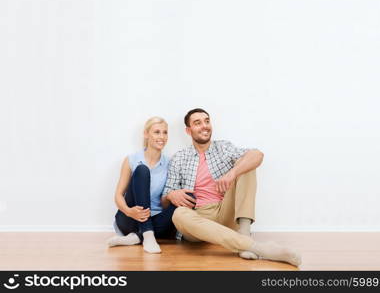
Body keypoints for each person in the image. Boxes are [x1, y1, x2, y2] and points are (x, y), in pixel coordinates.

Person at [162, 108, 301, 266]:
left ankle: (244, 232)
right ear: (188, 130)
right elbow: (164, 199)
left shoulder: (223, 147)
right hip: (199, 219)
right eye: (197, 123)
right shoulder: (179, 158)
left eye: (207, 121)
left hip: (225, 210)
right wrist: (171, 195)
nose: (204, 126)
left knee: (246, 164)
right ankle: (256, 247)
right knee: (178, 214)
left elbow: (257, 155)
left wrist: (232, 173)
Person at [107, 117, 176, 254]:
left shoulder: (170, 163)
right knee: (142, 170)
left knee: (185, 201)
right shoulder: (131, 160)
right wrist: (128, 211)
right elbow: (118, 195)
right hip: (131, 218)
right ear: (146, 134)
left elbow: (166, 203)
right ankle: (148, 235)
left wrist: (172, 197)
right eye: (157, 132)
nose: (162, 137)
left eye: (165, 132)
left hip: (156, 219)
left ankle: (137, 237)